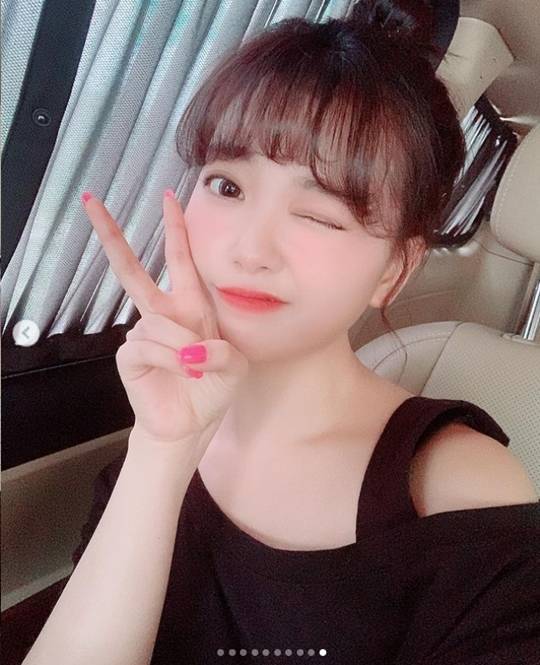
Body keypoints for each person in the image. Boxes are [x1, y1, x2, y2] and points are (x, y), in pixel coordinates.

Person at [24, 1, 539, 664]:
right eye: (227, 186)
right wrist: (160, 451)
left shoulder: (460, 493)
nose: (249, 250)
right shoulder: (154, 435)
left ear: (395, 269)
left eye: (321, 214)